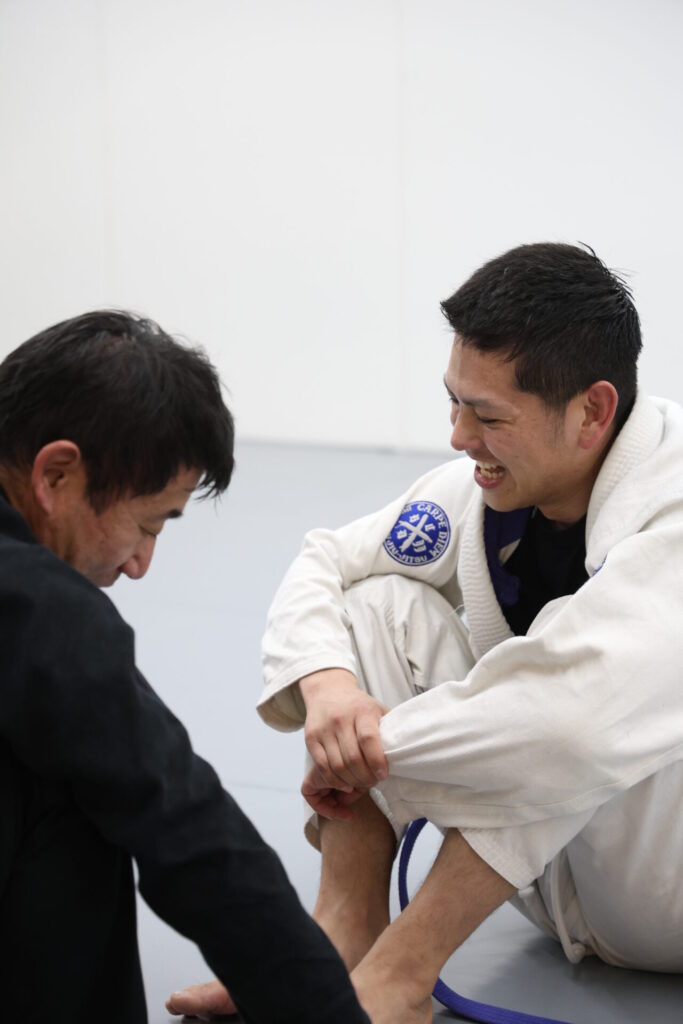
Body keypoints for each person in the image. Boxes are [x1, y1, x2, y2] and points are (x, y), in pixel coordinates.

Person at [172, 242, 683, 1023]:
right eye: (454, 403)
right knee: (379, 606)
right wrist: (330, 694)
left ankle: (399, 976)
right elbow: (326, 562)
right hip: (552, 877)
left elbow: (566, 723)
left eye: (488, 416)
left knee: (553, 711)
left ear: (592, 412)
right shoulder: (487, 488)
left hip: (661, 890)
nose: (457, 436)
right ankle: (341, 938)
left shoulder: (670, 512)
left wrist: (363, 752)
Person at [0, 311, 370, 1024]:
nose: (141, 565)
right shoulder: (38, 608)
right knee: (87, 793)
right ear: (56, 474)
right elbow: (189, 833)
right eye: (147, 525)